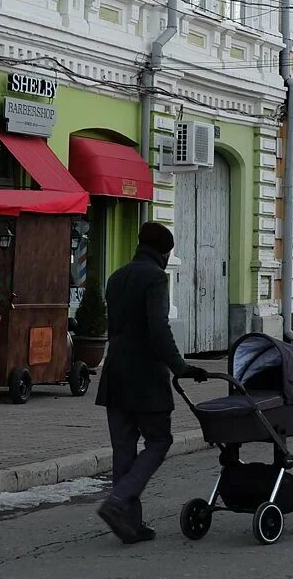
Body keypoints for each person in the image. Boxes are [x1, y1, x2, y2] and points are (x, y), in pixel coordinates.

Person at [95, 222, 208, 544]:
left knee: (123, 450)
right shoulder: (156, 278)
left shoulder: (116, 277)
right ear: (164, 251)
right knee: (159, 441)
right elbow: (158, 328)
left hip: (115, 373)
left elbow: (115, 325)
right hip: (145, 377)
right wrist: (181, 367)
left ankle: (130, 524)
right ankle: (118, 502)